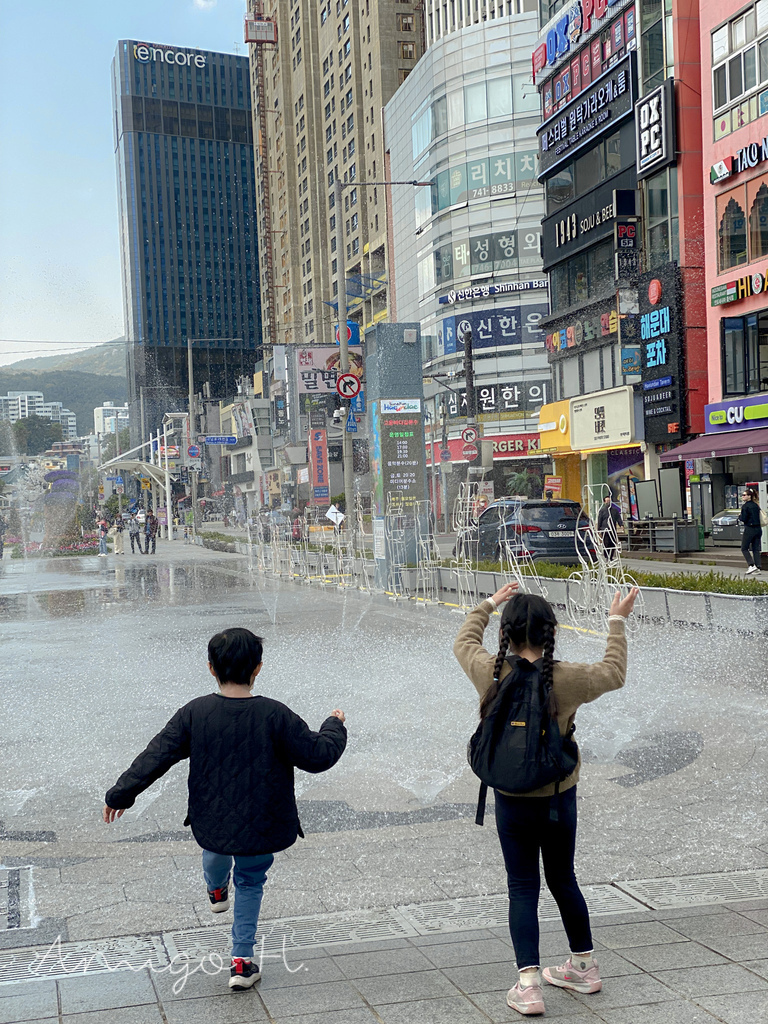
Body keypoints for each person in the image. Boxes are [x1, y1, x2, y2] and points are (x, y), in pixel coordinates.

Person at [103, 628, 347, 990]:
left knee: (214, 850)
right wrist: (334, 725)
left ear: (210, 668)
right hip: (262, 823)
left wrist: (120, 794)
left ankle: (216, 889)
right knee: (250, 882)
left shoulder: (195, 713)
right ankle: (241, 963)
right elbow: (317, 755)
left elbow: (158, 754)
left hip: (212, 818)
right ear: (258, 669)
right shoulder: (274, 714)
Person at [454, 581, 638, 1017]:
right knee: (563, 879)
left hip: (511, 799)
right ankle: (584, 967)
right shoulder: (567, 678)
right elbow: (614, 672)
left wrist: (488, 603)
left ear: (507, 634)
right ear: (550, 631)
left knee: (522, 886)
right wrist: (616, 621)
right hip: (558, 797)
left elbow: (463, 640)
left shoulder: (490, 671)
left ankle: (529, 986)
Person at [739, 486, 763, 574]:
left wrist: (739, 517)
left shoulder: (746, 506)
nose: (743, 496)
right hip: (758, 529)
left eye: (744, 495)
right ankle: (758, 566)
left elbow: (744, 518)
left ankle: (751, 565)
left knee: (744, 548)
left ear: (749, 496)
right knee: (755, 548)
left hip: (750, 528)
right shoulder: (756, 505)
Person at [597, 494, 623, 560]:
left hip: (613, 529)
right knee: (606, 543)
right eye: (607, 501)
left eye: (609, 501)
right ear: (604, 502)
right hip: (605, 529)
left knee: (613, 543)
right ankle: (606, 556)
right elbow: (599, 519)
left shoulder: (615, 510)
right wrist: (598, 529)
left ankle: (611, 556)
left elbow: (618, 518)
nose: (608, 502)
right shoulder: (602, 510)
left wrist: (621, 525)